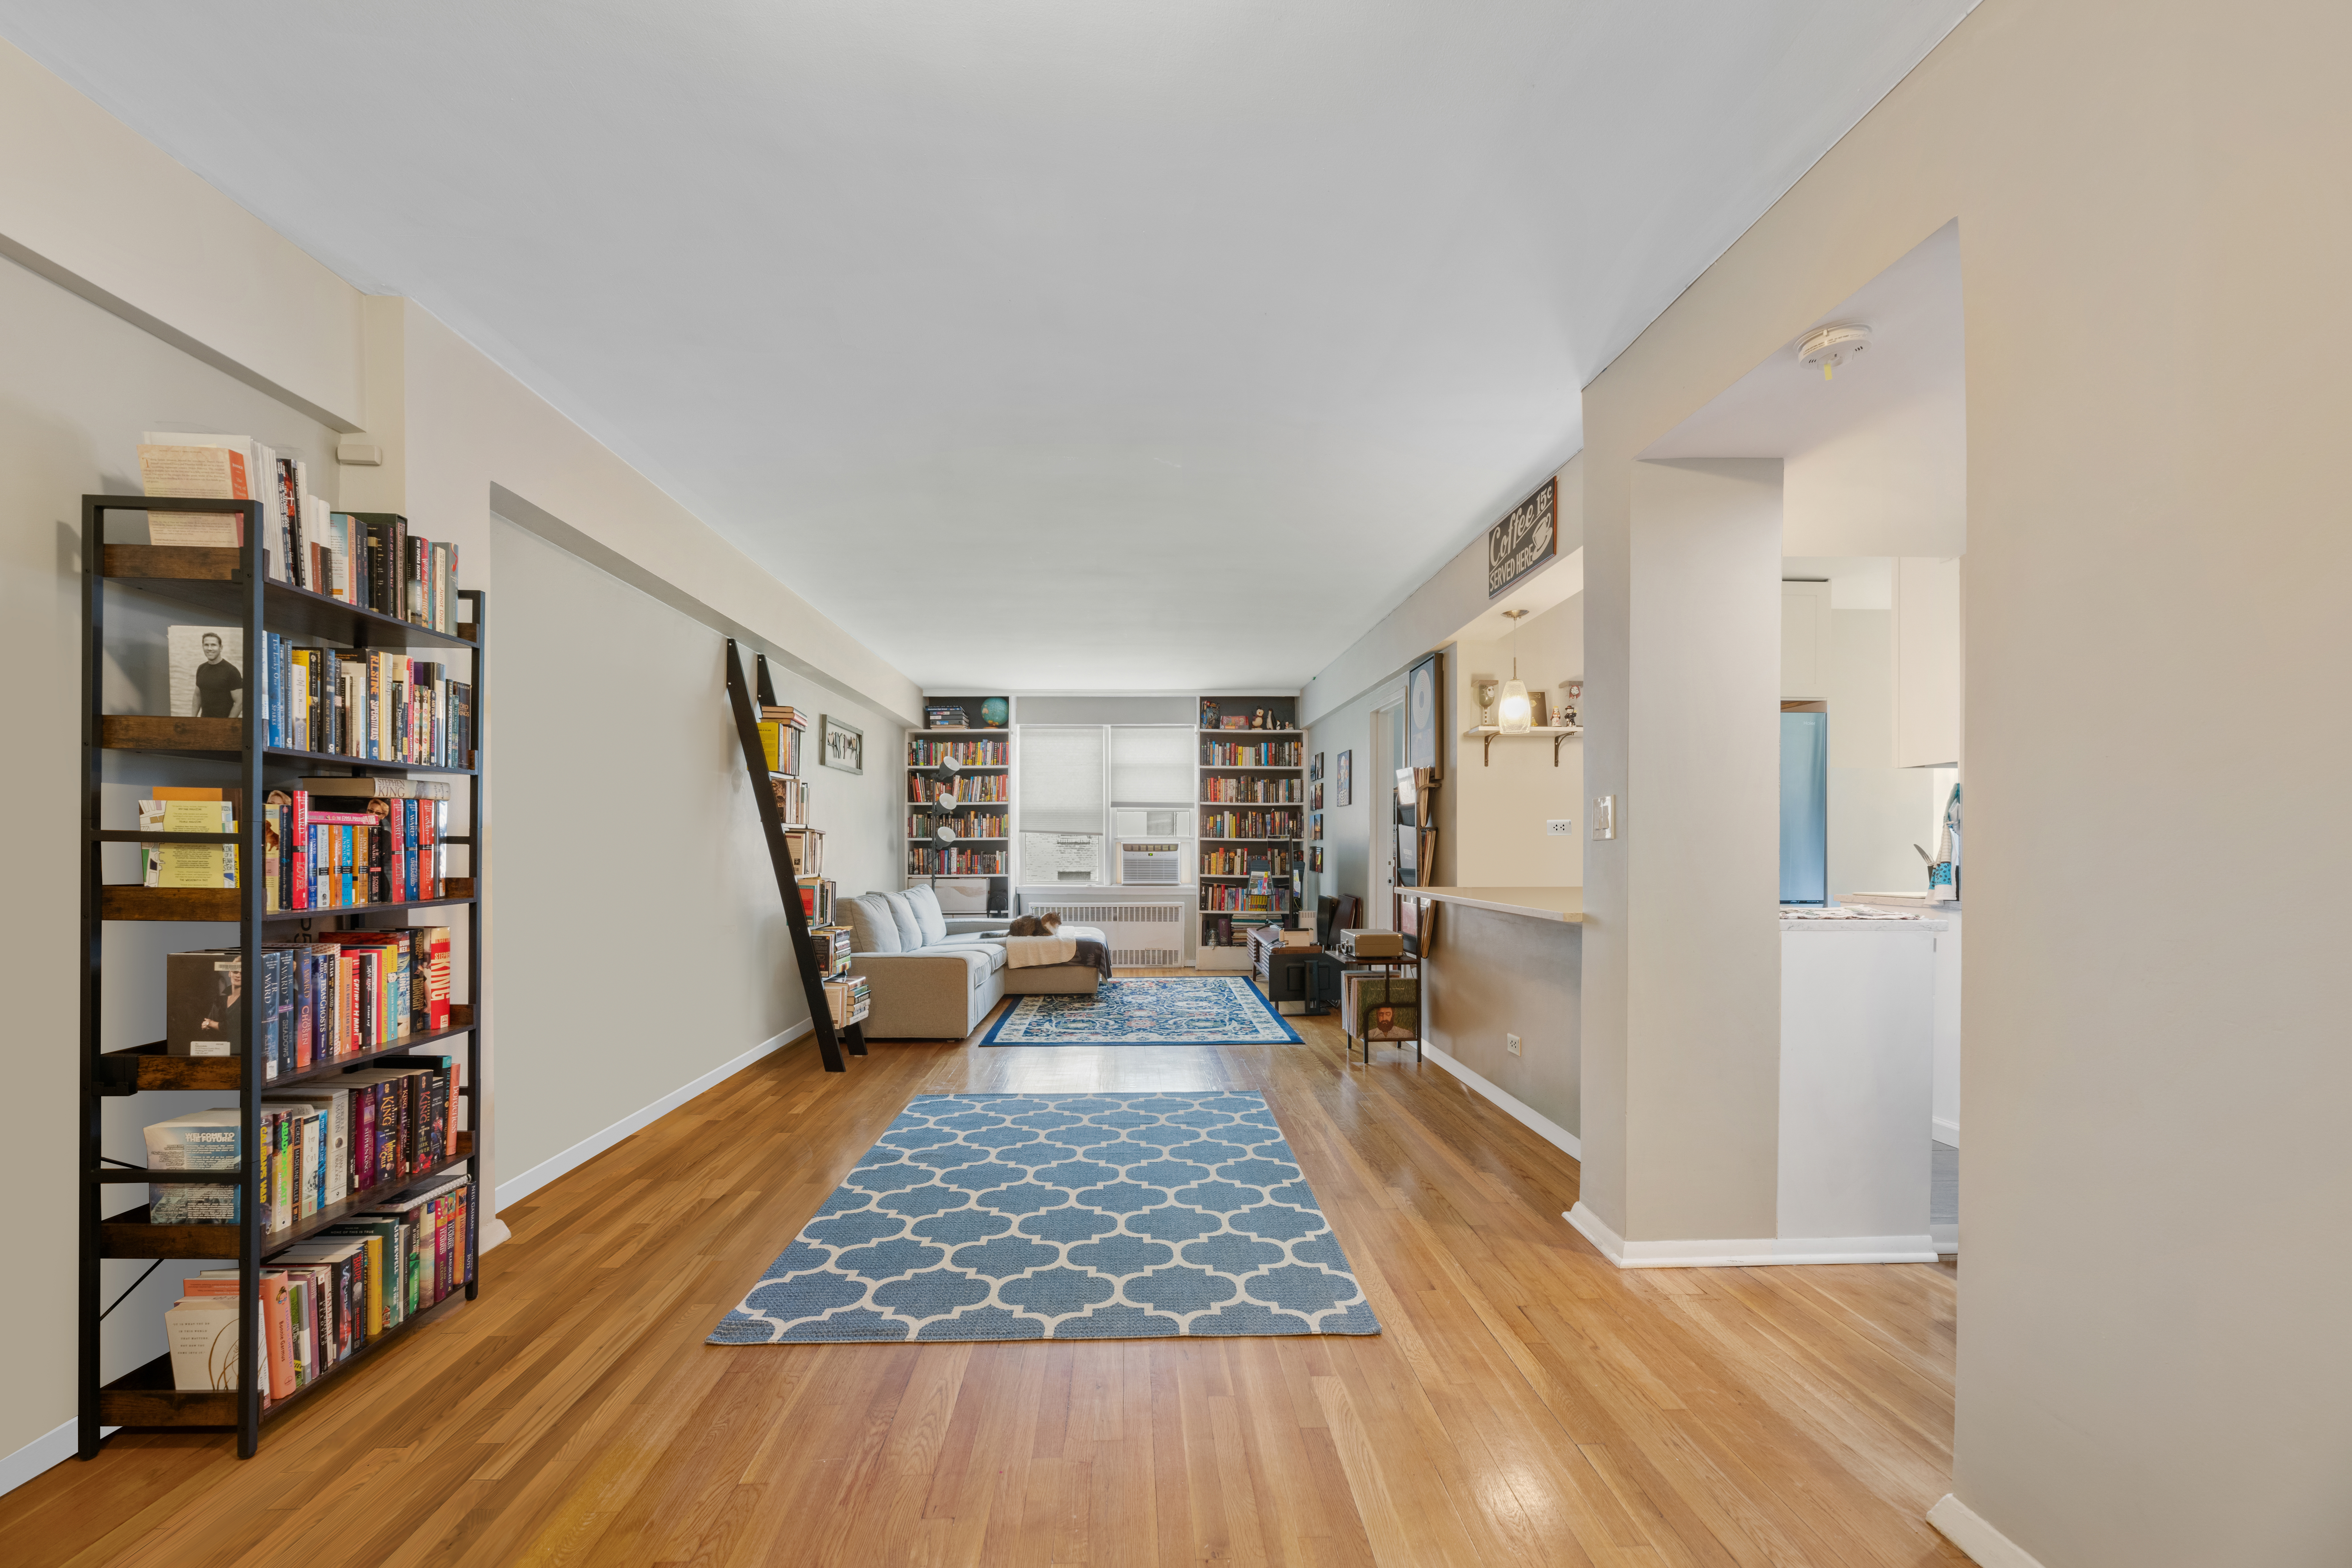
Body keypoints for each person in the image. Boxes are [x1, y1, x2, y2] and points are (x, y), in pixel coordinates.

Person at [193, 631, 242, 718]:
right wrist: (192, 719)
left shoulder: (231, 671)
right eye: (206, 645)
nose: (210, 649)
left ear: (221, 648)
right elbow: (198, 695)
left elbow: (240, 702)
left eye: (214, 645)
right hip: (203, 721)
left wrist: (228, 725)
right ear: (203, 647)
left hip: (223, 723)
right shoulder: (201, 668)